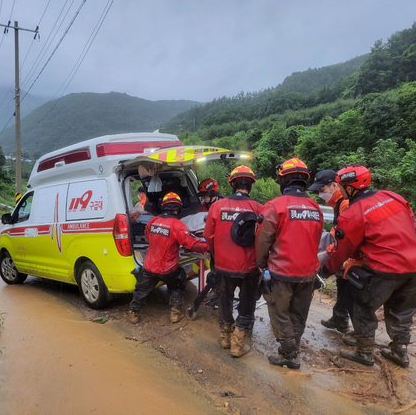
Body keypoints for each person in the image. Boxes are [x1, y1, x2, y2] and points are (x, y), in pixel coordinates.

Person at [322, 166, 416, 367]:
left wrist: (327, 269)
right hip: (415, 265)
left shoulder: (353, 213)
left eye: (342, 187)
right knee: (402, 311)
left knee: (363, 307)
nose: (341, 192)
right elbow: (412, 226)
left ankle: (364, 353)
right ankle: (400, 352)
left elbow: (343, 250)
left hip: (383, 269)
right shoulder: (393, 197)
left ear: (350, 189)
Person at [255, 158, 323, 369]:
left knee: (279, 312)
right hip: (308, 272)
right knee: (298, 313)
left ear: (283, 180)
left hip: (281, 271)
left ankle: (289, 354)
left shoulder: (275, 206)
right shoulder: (315, 208)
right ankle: (294, 346)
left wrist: (260, 262)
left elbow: (263, 238)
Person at [203, 165, 263, 357]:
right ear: (251, 185)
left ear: (232, 183)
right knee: (247, 304)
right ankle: (238, 342)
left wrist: (217, 255)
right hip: (249, 268)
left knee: (224, 300)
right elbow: (264, 238)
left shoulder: (217, 206)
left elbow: (208, 236)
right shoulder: (259, 208)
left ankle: (225, 336)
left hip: (223, 265)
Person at [129, 192, 209, 324]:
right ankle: (174, 313)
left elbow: (149, 238)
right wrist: (209, 246)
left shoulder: (153, 221)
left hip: (150, 266)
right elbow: (191, 243)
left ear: (163, 207)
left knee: (141, 290)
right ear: (177, 208)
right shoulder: (177, 225)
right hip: (168, 268)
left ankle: (134, 313)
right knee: (179, 282)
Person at [309, 170, 354, 345]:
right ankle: (340, 318)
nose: (321, 194)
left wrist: (326, 254)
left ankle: (360, 335)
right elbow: (337, 231)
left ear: (334, 185)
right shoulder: (338, 202)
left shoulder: (346, 203)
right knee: (343, 280)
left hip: (352, 251)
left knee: (351, 287)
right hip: (344, 250)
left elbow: (343, 236)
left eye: (323, 189)